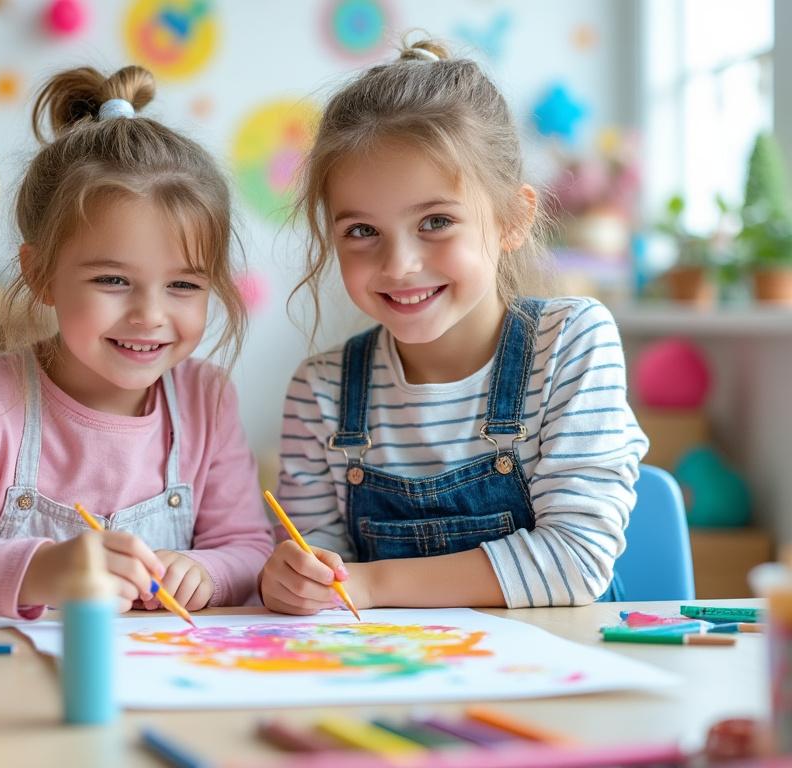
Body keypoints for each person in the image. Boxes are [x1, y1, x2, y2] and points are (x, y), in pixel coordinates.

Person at [0, 64, 272, 618]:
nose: (149, 315)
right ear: (41, 274)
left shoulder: (206, 398)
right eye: (113, 280)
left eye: (184, 284)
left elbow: (251, 549)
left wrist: (207, 571)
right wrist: (39, 570)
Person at [259, 39, 648, 614]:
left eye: (436, 221)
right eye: (361, 231)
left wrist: (369, 585)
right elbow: (317, 573)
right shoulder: (319, 391)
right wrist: (293, 581)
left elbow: (576, 559)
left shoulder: (571, 341)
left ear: (512, 219)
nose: (398, 265)